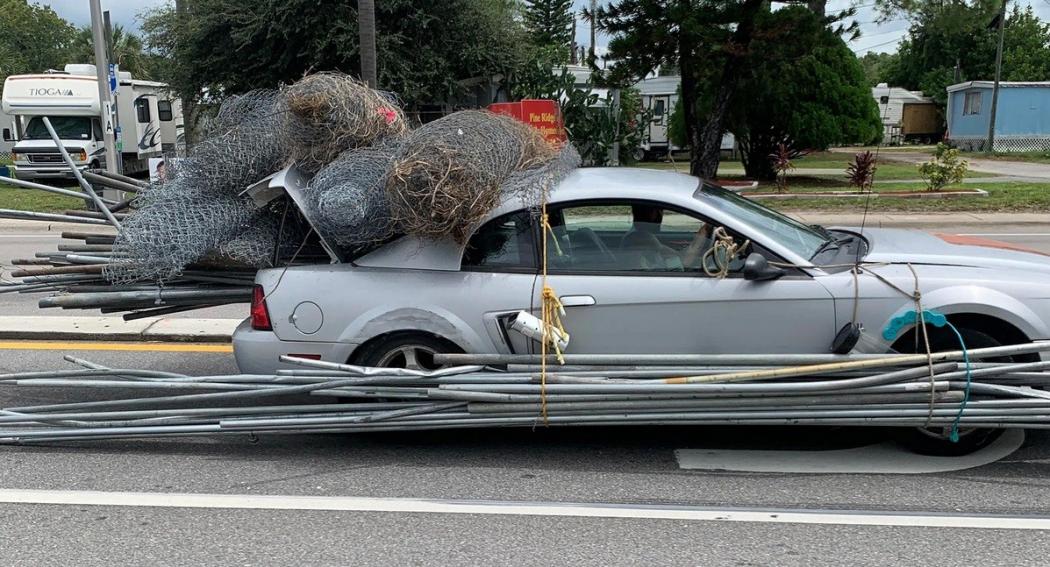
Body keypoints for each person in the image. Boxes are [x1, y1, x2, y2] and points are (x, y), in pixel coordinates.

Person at [619, 205, 711, 271]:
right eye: (660, 211)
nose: (661, 215)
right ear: (653, 214)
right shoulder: (640, 237)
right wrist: (704, 232)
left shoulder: (638, 234)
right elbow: (685, 261)